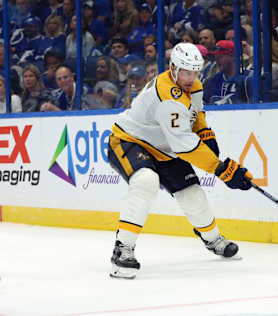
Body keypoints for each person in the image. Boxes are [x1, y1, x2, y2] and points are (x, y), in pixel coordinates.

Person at [107, 43, 253, 279]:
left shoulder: (194, 85)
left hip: (163, 147)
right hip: (129, 140)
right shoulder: (168, 96)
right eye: (186, 72)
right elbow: (184, 144)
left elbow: (196, 115)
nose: (191, 78)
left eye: (195, 72)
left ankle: (213, 239)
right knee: (146, 181)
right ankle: (123, 249)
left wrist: (205, 133)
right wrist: (220, 169)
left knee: (192, 193)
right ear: (173, 68)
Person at [203, 40, 253, 104]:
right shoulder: (213, 81)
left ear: (233, 56)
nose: (217, 61)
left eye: (220, 57)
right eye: (216, 58)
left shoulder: (249, 78)